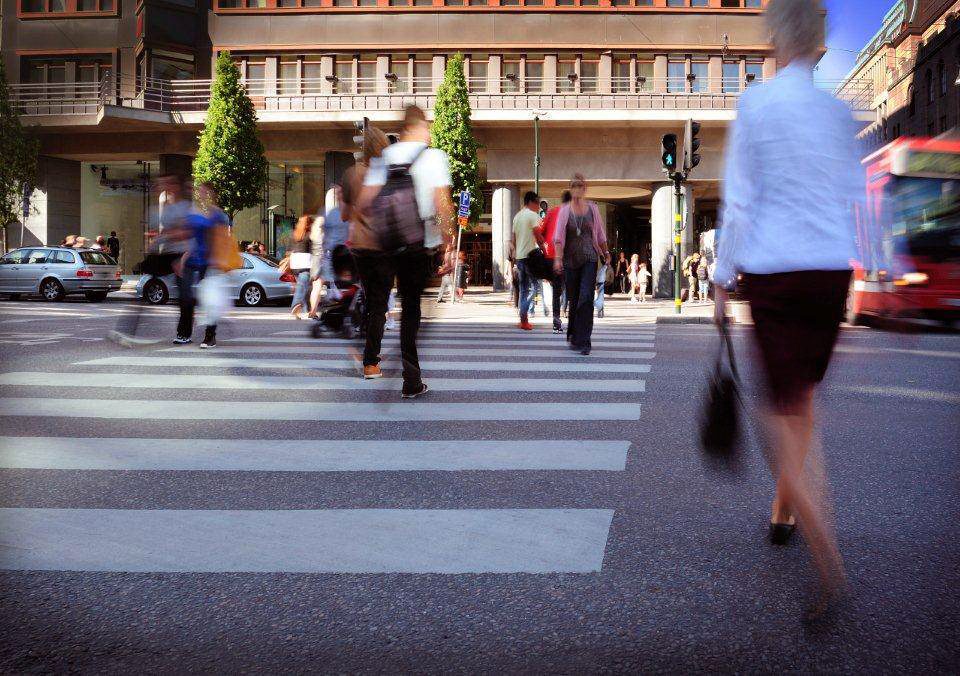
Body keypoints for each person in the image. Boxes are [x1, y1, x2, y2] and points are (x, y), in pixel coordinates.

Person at [712, 0, 865, 619]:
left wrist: (722, 276)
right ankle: (782, 515)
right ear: (821, 47)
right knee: (799, 400)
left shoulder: (756, 103)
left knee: (779, 418)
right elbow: (857, 196)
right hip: (830, 273)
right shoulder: (836, 110)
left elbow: (741, 199)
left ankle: (828, 562)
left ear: (775, 39)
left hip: (775, 273)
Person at [358, 105, 454, 398]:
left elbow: (364, 203)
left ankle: (373, 358)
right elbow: (442, 203)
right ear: (418, 127)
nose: (429, 133)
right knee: (411, 309)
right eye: (427, 127)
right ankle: (411, 379)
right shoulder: (434, 156)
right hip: (416, 245)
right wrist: (448, 241)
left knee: (381, 304)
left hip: (386, 246)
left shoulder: (384, 157)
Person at [553, 174, 608, 355]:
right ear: (570, 189)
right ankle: (574, 333)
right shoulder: (565, 211)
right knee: (574, 299)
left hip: (589, 258)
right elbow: (559, 238)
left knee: (586, 298)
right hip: (570, 260)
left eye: (580, 185)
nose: (577, 188)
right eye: (573, 185)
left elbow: (600, 235)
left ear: (585, 188)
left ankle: (584, 340)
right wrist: (558, 259)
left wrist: (606, 253)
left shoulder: (592, 209)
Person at [175, 181, 230, 347]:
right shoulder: (195, 212)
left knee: (210, 300)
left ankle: (210, 336)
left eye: (205, 191)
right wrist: (183, 259)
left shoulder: (218, 215)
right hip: (193, 260)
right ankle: (184, 332)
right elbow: (193, 240)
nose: (202, 194)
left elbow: (222, 240)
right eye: (200, 192)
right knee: (186, 297)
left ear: (213, 194)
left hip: (211, 262)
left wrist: (221, 261)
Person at [536, 191, 570, 333]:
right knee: (568, 288)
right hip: (567, 257)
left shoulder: (551, 213)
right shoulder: (574, 214)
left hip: (551, 257)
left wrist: (544, 251)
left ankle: (557, 322)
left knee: (557, 291)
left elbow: (538, 233)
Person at [511, 190, 544, 331]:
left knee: (524, 289)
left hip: (519, 258)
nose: (539, 206)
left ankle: (523, 321)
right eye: (537, 203)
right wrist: (544, 248)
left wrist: (514, 255)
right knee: (533, 288)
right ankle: (523, 315)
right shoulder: (533, 216)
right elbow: (538, 236)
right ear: (531, 202)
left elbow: (513, 239)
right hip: (530, 257)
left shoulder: (517, 216)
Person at [288, 215, 313, 318]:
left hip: (295, 263)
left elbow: (288, 250)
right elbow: (313, 250)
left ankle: (308, 309)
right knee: (302, 286)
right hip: (305, 263)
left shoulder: (293, 234)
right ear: (308, 224)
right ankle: (296, 304)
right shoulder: (309, 235)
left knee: (305, 286)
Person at [594, 252, 611, 318]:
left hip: (599, 282)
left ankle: (600, 311)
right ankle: (600, 310)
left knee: (598, 297)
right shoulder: (604, 266)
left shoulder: (603, 267)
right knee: (599, 297)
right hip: (600, 282)